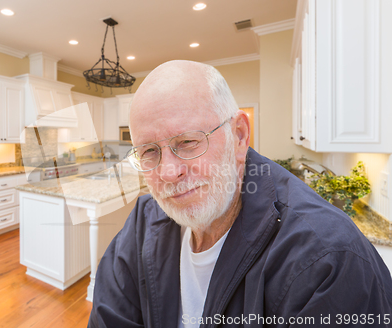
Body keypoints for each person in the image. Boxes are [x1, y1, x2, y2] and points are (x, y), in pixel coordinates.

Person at [88, 60, 392, 328]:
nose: (168, 173)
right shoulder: (143, 223)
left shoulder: (328, 259)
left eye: (189, 142)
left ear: (239, 136)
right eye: (148, 152)